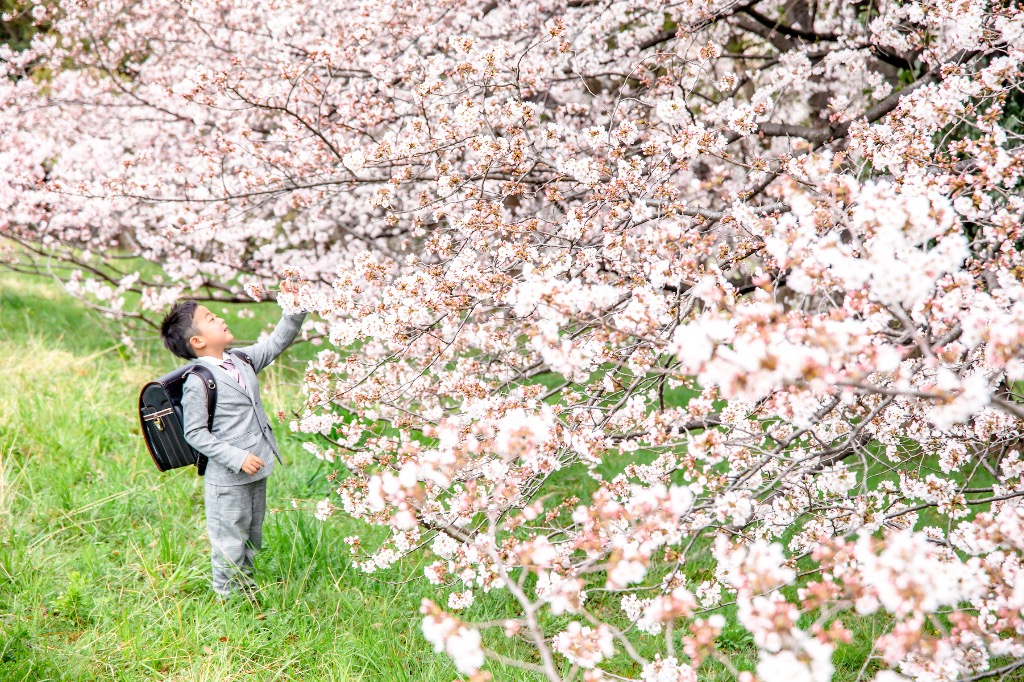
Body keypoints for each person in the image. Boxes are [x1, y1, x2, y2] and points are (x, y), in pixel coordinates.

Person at [159, 281, 307, 603]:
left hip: (258, 470)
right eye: (211, 318)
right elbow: (195, 433)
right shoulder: (199, 381)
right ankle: (228, 603)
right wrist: (237, 457)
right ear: (197, 341)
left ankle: (247, 594)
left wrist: (295, 308)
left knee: (252, 536)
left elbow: (274, 344)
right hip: (227, 480)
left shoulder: (240, 359)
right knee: (229, 542)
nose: (221, 319)